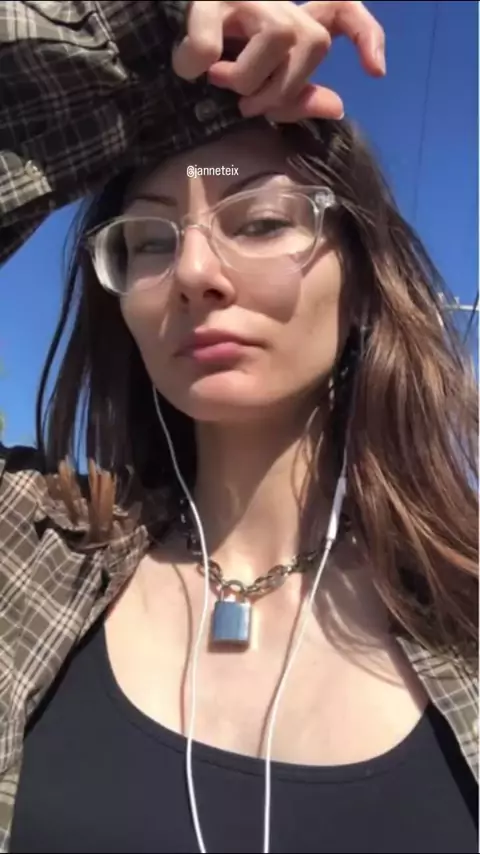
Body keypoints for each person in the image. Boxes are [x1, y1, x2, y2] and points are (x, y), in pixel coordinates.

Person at [0, 2, 477, 853]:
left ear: (362, 281)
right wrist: (142, 29)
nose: (193, 271)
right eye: (149, 241)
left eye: (260, 222)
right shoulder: (26, 554)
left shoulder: (465, 597)